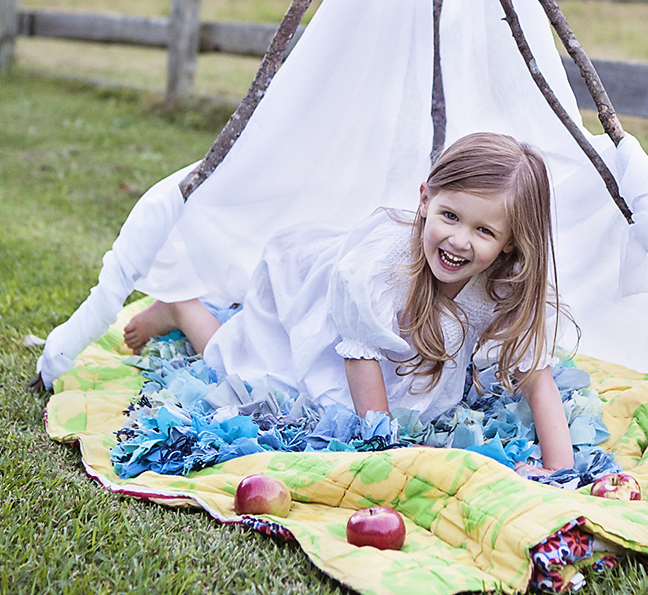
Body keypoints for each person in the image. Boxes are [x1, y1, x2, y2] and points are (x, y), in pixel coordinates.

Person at [123, 132, 574, 473]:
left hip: (398, 341)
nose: (459, 240)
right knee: (251, 369)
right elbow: (362, 359)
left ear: (512, 243)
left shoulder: (506, 286)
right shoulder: (381, 269)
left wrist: (559, 470)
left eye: (484, 231)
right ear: (425, 200)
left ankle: (193, 310)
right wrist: (386, 451)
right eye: (450, 216)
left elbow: (537, 377)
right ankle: (184, 308)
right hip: (332, 311)